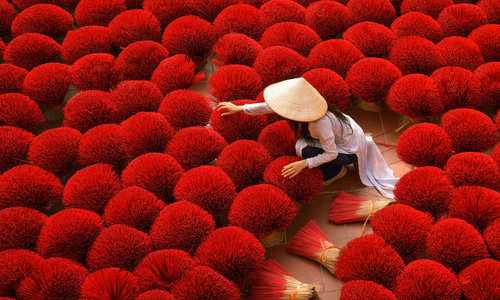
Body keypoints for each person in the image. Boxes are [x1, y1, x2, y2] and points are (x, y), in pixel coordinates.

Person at [217, 77, 399, 199]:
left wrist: (304, 164)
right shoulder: (310, 109)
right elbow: (271, 106)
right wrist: (241, 109)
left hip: (347, 150)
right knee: (302, 146)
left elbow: (332, 154)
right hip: (344, 136)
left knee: (304, 150)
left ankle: (336, 172)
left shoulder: (318, 124)